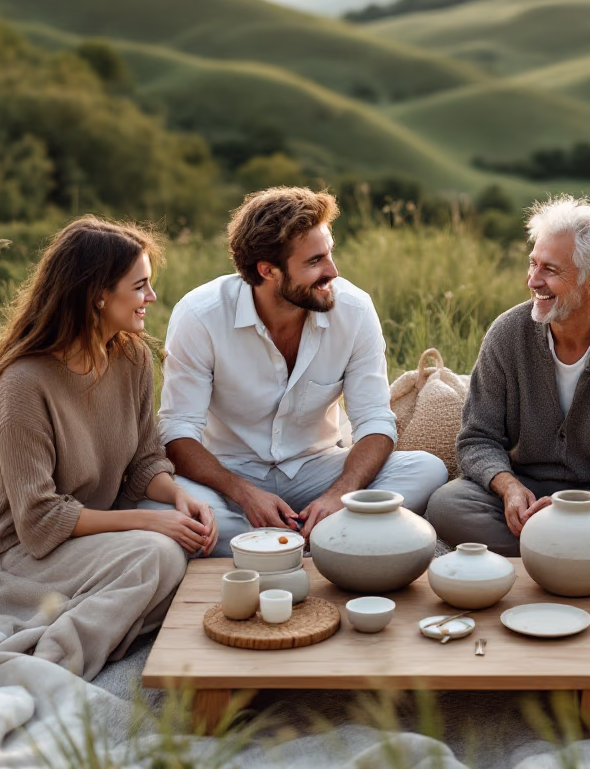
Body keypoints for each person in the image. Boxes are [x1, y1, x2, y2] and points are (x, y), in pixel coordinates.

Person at [0, 216, 218, 681]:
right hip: (17, 553)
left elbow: (145, 462)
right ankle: (54, 662)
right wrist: (150, 521)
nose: (152, 298)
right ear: (98, 295)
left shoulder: (132, 357)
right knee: (159, 556)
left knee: (189, 555)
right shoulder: (23, 382)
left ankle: (105, 613)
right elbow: (39, 522)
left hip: (84, 537)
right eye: (140, 286)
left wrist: (179, 497)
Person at [140, 187, 448, 552]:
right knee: (158, 506)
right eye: (315, 261)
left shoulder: (354, 310)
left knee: (427, 469)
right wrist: (244, 493)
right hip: (227, 475)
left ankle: (268, 544)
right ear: (268, 270)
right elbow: (178, 431)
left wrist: (340, 494)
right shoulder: (200, 315)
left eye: (330, 253)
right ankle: (329, 540)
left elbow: (375, 421)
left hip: (317, 468)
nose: (332, 271)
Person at [426, 195, 590, 580]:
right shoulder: (507, 333)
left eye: (549, 270)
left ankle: (543, 559)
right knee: (447, 505)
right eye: (533, 263)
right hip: (528, 491)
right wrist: (508, 488)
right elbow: (477, 438)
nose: (533, 280)